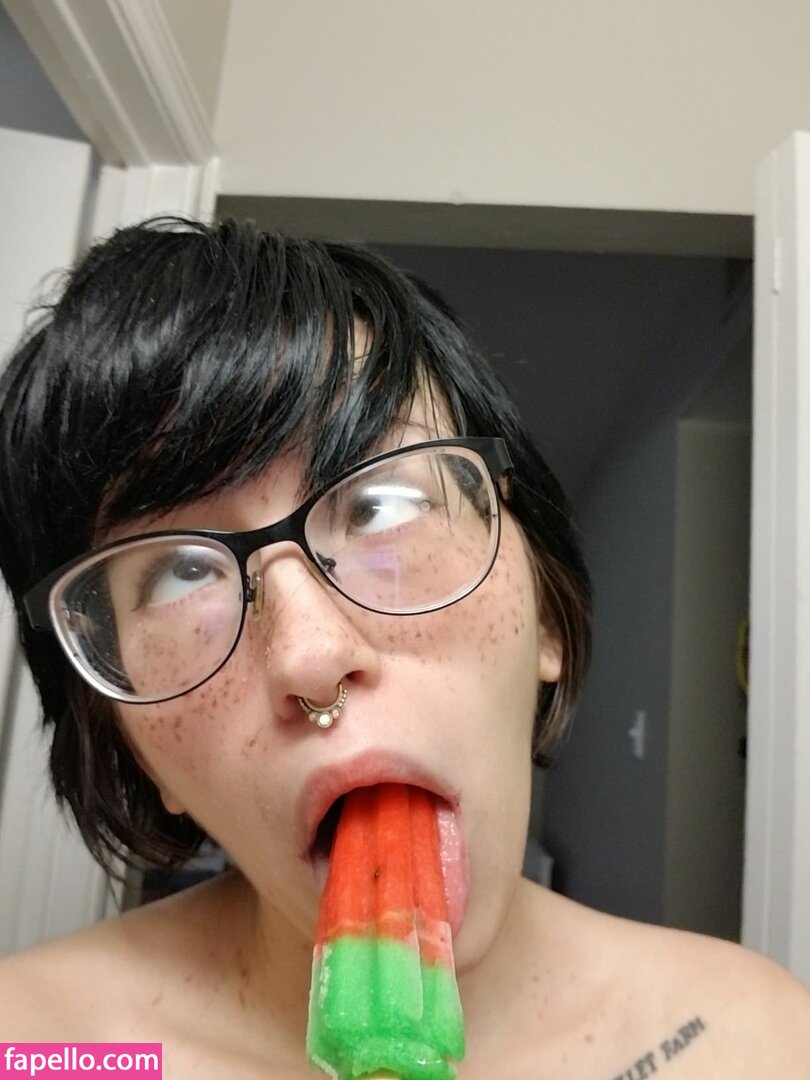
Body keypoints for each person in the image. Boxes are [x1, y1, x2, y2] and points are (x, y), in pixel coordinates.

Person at [0, 217, 807, 1080]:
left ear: (544, 615)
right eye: (178, 574)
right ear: (132, 742)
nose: (311, 654)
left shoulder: (747, 1040)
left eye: (382, 504)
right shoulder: (41, 1050)